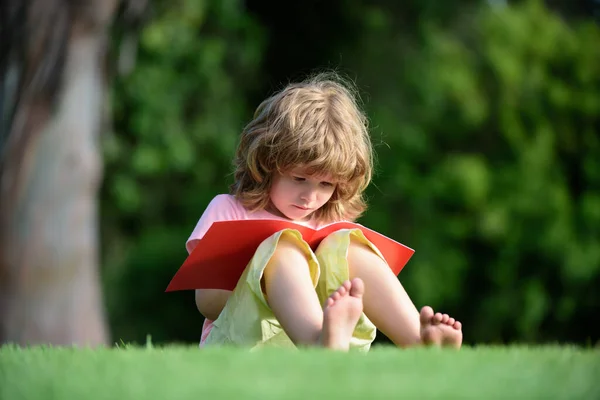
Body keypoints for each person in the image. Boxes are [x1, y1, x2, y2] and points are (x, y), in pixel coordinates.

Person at [186, 72, 463, 352]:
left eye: (326, 184)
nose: (310, 196)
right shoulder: (229, 209)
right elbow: (206, 303)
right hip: (240, 346)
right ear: (268, 161)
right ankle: (319, 342)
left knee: (349, 244)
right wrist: (265, 281)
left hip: (319, 342)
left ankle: (419, 341)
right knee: (284, 246)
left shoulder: (328, 223)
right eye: (298, 178)